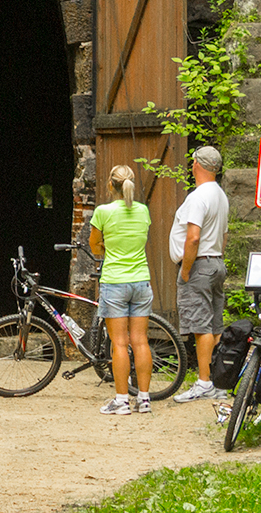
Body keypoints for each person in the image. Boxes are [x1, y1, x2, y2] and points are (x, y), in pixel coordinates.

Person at [87, 163, 153, 415]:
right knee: (140, 340)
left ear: (109, 185)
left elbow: (94, 245)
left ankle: (122, 400)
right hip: (141, 281)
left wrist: (106, 246)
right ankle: (144, 400)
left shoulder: (103, 212)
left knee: (120, 344)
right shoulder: (143, 212)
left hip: (115, 281)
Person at [169, 144, 231, 403]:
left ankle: (204, 382)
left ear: (197, 165)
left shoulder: (197, 197)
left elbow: (193, 238)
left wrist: (185, 270)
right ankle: (217, 382)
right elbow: (224, 236)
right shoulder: (220, 195)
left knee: (200, 326)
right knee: (215, 326)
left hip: (199, 265)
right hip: (216, 261)